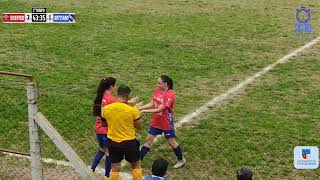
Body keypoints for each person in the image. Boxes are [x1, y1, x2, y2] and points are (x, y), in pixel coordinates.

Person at [139, 75, 186, 169]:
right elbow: (153, 103)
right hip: (156, 121)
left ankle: (181, 160)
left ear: (165, 84)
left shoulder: (170, 94)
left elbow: (159, 109)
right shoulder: (158, 90)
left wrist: (144, 111)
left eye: (159, 83)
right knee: (149, 140)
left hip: (166, 122)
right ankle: (138, 161)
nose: (157, 84)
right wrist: (141, 107)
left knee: (171, 142)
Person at [102, 85, 143, 180]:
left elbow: (104, 124)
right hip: (129, 142)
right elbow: (139, 127)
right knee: (136, 166)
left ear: (117, 94)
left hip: (113, 142)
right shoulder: (133, 110)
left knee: (115, 168)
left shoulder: (106, 109)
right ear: (127, 97)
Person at [91, 77, 117, 180]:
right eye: (114, 85)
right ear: (111, 87)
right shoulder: (111, 100)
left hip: (98, 129)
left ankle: (92, 169)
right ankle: (107, 176)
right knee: (109, 153)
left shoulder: (99, 97)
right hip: (107, 131)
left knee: (102, 149)